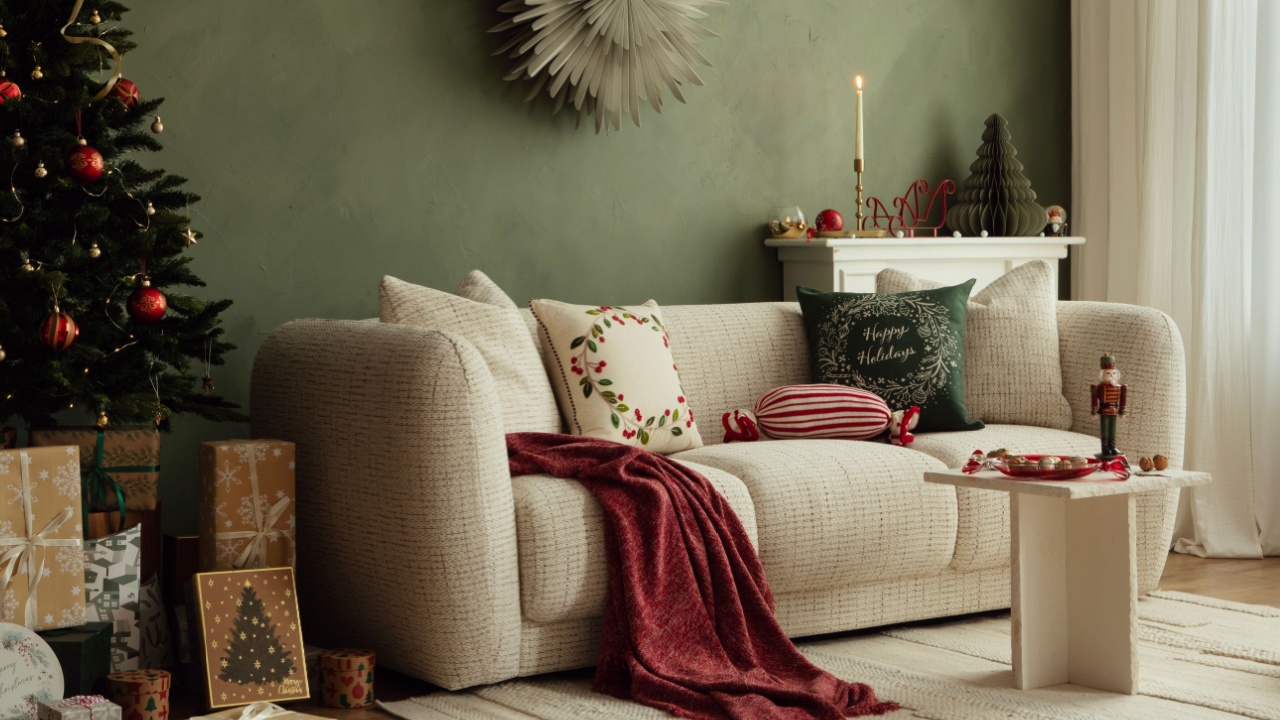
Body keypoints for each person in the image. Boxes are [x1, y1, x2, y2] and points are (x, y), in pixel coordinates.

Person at [1091, 353, 1128, 458]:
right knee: (1105, 429)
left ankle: (1112, 447)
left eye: (1114, 373)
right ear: (1102, 375)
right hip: (1103, 409)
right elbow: (1094, 398)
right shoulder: (1099, 387)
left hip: (1114, 410)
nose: (1112, 375)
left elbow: (1122, 399)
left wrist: (1122, 411)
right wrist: (1094, 411)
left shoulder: (1119, 387)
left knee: (1112, 429)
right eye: (1108, 373)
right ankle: (1105, 449)